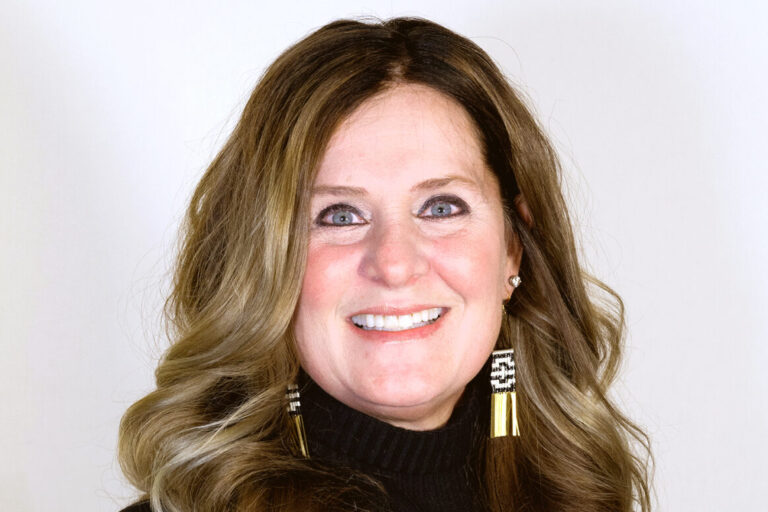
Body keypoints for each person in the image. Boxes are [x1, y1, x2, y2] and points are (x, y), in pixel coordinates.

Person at [118, 17, 652, 512]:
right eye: (339, 215)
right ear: (266, 262)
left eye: (441, 207)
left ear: (514, 247)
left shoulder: (584, 496)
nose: (394, 264)